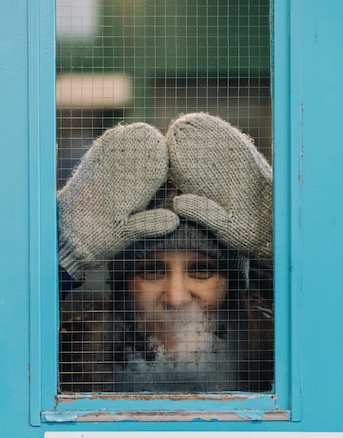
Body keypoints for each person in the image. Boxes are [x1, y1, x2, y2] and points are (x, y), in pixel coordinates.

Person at [57, 113, 273, 393]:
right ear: (124, 284)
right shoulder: (66, 355)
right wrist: (65, 256)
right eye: (152, 271)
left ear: (232, 283)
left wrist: (275, 246)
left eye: (201, 271)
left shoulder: (277, 349)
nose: (176, 298)